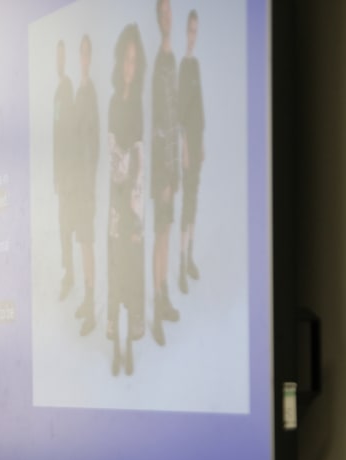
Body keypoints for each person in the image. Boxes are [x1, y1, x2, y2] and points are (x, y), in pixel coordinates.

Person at [105, 23, 147, 376]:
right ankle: (116, 346)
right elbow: (112, 156)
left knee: (132, 273)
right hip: (115, 201)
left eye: (134, 61)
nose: (129, 67)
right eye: (125, 60)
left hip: (133, 201)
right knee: (116, 269)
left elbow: (138, 159)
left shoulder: (138, 106)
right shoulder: (112, 104)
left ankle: (130, 347)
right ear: (119, 62)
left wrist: (134, 212)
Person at [150, 0, 180, 346]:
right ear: (159, 19)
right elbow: (159, 123)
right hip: (162, 168)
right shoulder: (160, 63)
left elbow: (175, 118)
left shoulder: (172, 59)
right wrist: (165, 175)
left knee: (168, 232)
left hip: (173, 163)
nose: (168, 16)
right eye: (164, 12)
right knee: (160, 235)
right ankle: (157, 309)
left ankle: (166, 298)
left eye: (171, 10)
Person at [73, 33, 101, 336]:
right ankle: (86, 297)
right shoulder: (78, 94)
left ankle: (92, 308)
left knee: (88, 244)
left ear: (90, 58)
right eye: (79, 53)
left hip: (87, 186)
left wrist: (90, 186)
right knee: (81, 242)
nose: (82, 58)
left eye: (85, 53)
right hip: (75, 185)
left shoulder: (90, 93)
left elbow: (93, 144)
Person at [178, 9, 205, 294]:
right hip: (188, 146)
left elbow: (199, 107)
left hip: (198, 144)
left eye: (196, 31)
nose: (192, 36)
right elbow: (182, 115)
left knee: (194, 201)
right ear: (184, 32)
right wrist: (185, 147)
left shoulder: (195, 65)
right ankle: (181, 265)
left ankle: (190, 259)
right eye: (190, 30)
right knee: (186, 205)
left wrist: (202, 143)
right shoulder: (182, 68)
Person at [54, 38, 77, 301]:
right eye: (56, 58)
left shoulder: (69, 87)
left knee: (69, 225)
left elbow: (71, 133)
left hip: (71, 175)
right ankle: (67, 273)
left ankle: (70, 275)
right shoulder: (56, 93)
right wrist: (55, 176)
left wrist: (69, 174)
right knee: (62, 226)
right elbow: (55, 135)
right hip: (61, 176)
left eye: (62, 57)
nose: (59, 62)